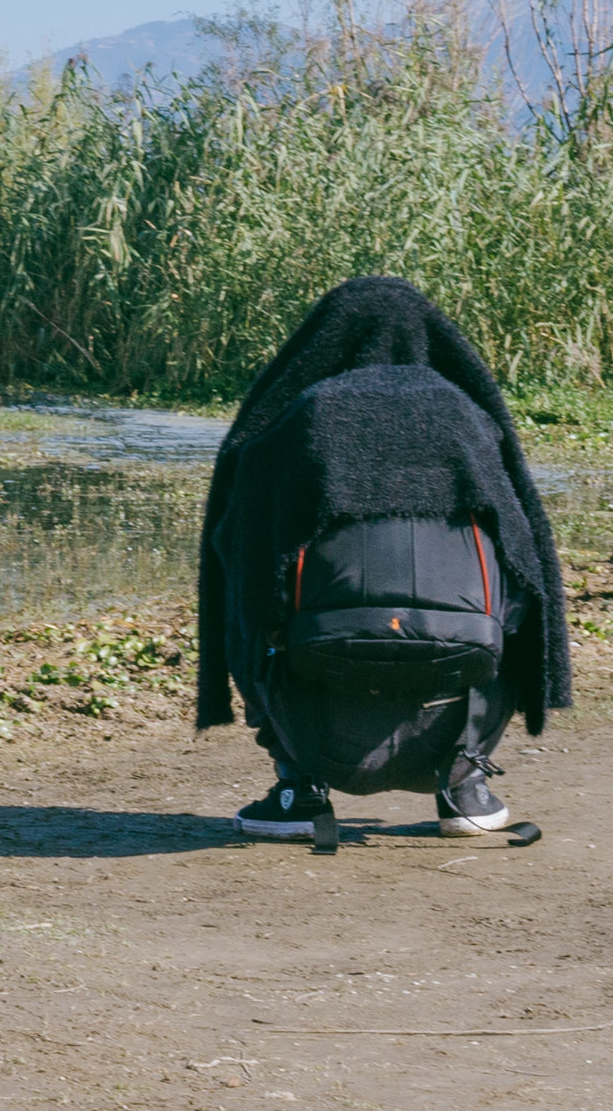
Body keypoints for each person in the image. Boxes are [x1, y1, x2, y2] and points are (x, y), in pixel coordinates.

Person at [195, 275, 569, 836]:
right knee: (507, 619)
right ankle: (466, 787)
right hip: (459, 700)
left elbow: (244, 567)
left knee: (246, 608)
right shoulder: (465, 419)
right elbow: (527, 566)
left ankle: (300, 790)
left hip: (314, 707)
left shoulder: (302, 419)